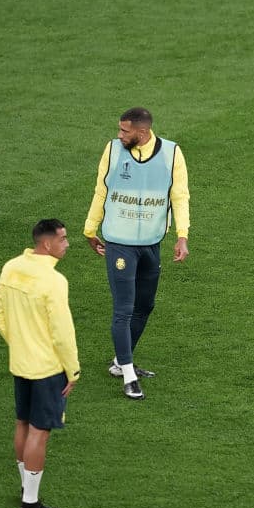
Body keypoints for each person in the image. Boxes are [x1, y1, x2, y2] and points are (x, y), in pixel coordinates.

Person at [84, 107, 191, 401]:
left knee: (146, 304)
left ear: (141, 133)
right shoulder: (112, 150)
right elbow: (101, 190)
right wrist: (90, 229)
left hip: (151, 243)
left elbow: (179, 196)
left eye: (124, 131)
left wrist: (183, 236)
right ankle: (129, 377)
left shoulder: (171, 153)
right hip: (119, 242)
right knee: (124, 308)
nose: (119, 136)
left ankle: (121, 363)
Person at [0, 219, 80, 508]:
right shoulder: (55, 282)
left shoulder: (11, 267)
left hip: (21, 363)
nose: (67, 244)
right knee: (39, 432)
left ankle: (25, 486)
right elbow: (62, 333)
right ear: (47, 244)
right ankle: (30, 504)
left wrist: (20, 344)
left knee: (23, 424)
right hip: (47, 368)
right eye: (64, 239)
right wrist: (73, 370)